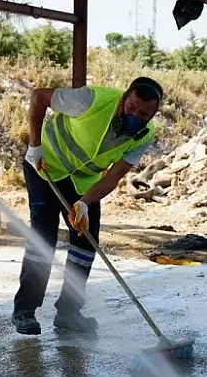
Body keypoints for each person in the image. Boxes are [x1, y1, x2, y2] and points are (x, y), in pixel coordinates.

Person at [11, 77, 164, 336]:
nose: (135, 116)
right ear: (124, 98)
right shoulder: (91, 100)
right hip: (44, 165)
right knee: (43, 236)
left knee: (86, 240)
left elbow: (114, 176)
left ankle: (68, 313)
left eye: (143, 114)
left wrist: (83, 203)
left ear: (152, 115)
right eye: (131, 107)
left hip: (82, 182)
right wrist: (35, 146)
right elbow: (38, 97)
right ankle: (25, 310)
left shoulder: (144, 136)